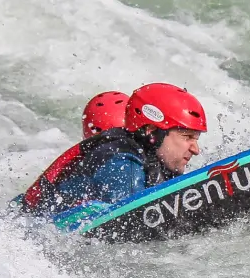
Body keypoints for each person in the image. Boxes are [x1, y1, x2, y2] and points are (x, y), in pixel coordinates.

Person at [17, 83, 206, 216]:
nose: (196, 149)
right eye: (187, 137)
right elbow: (134, 225)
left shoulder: (150, 157)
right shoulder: (123, 165)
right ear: (152, 132)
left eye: (196, 139)